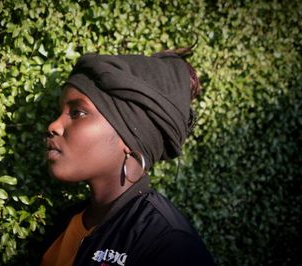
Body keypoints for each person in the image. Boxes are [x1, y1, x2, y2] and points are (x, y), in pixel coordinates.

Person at [40, 48, 215, 266]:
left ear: (131, 136)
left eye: (78, 113)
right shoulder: (66, 222)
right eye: (60, 113)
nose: (53, 126)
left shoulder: (169, 244)